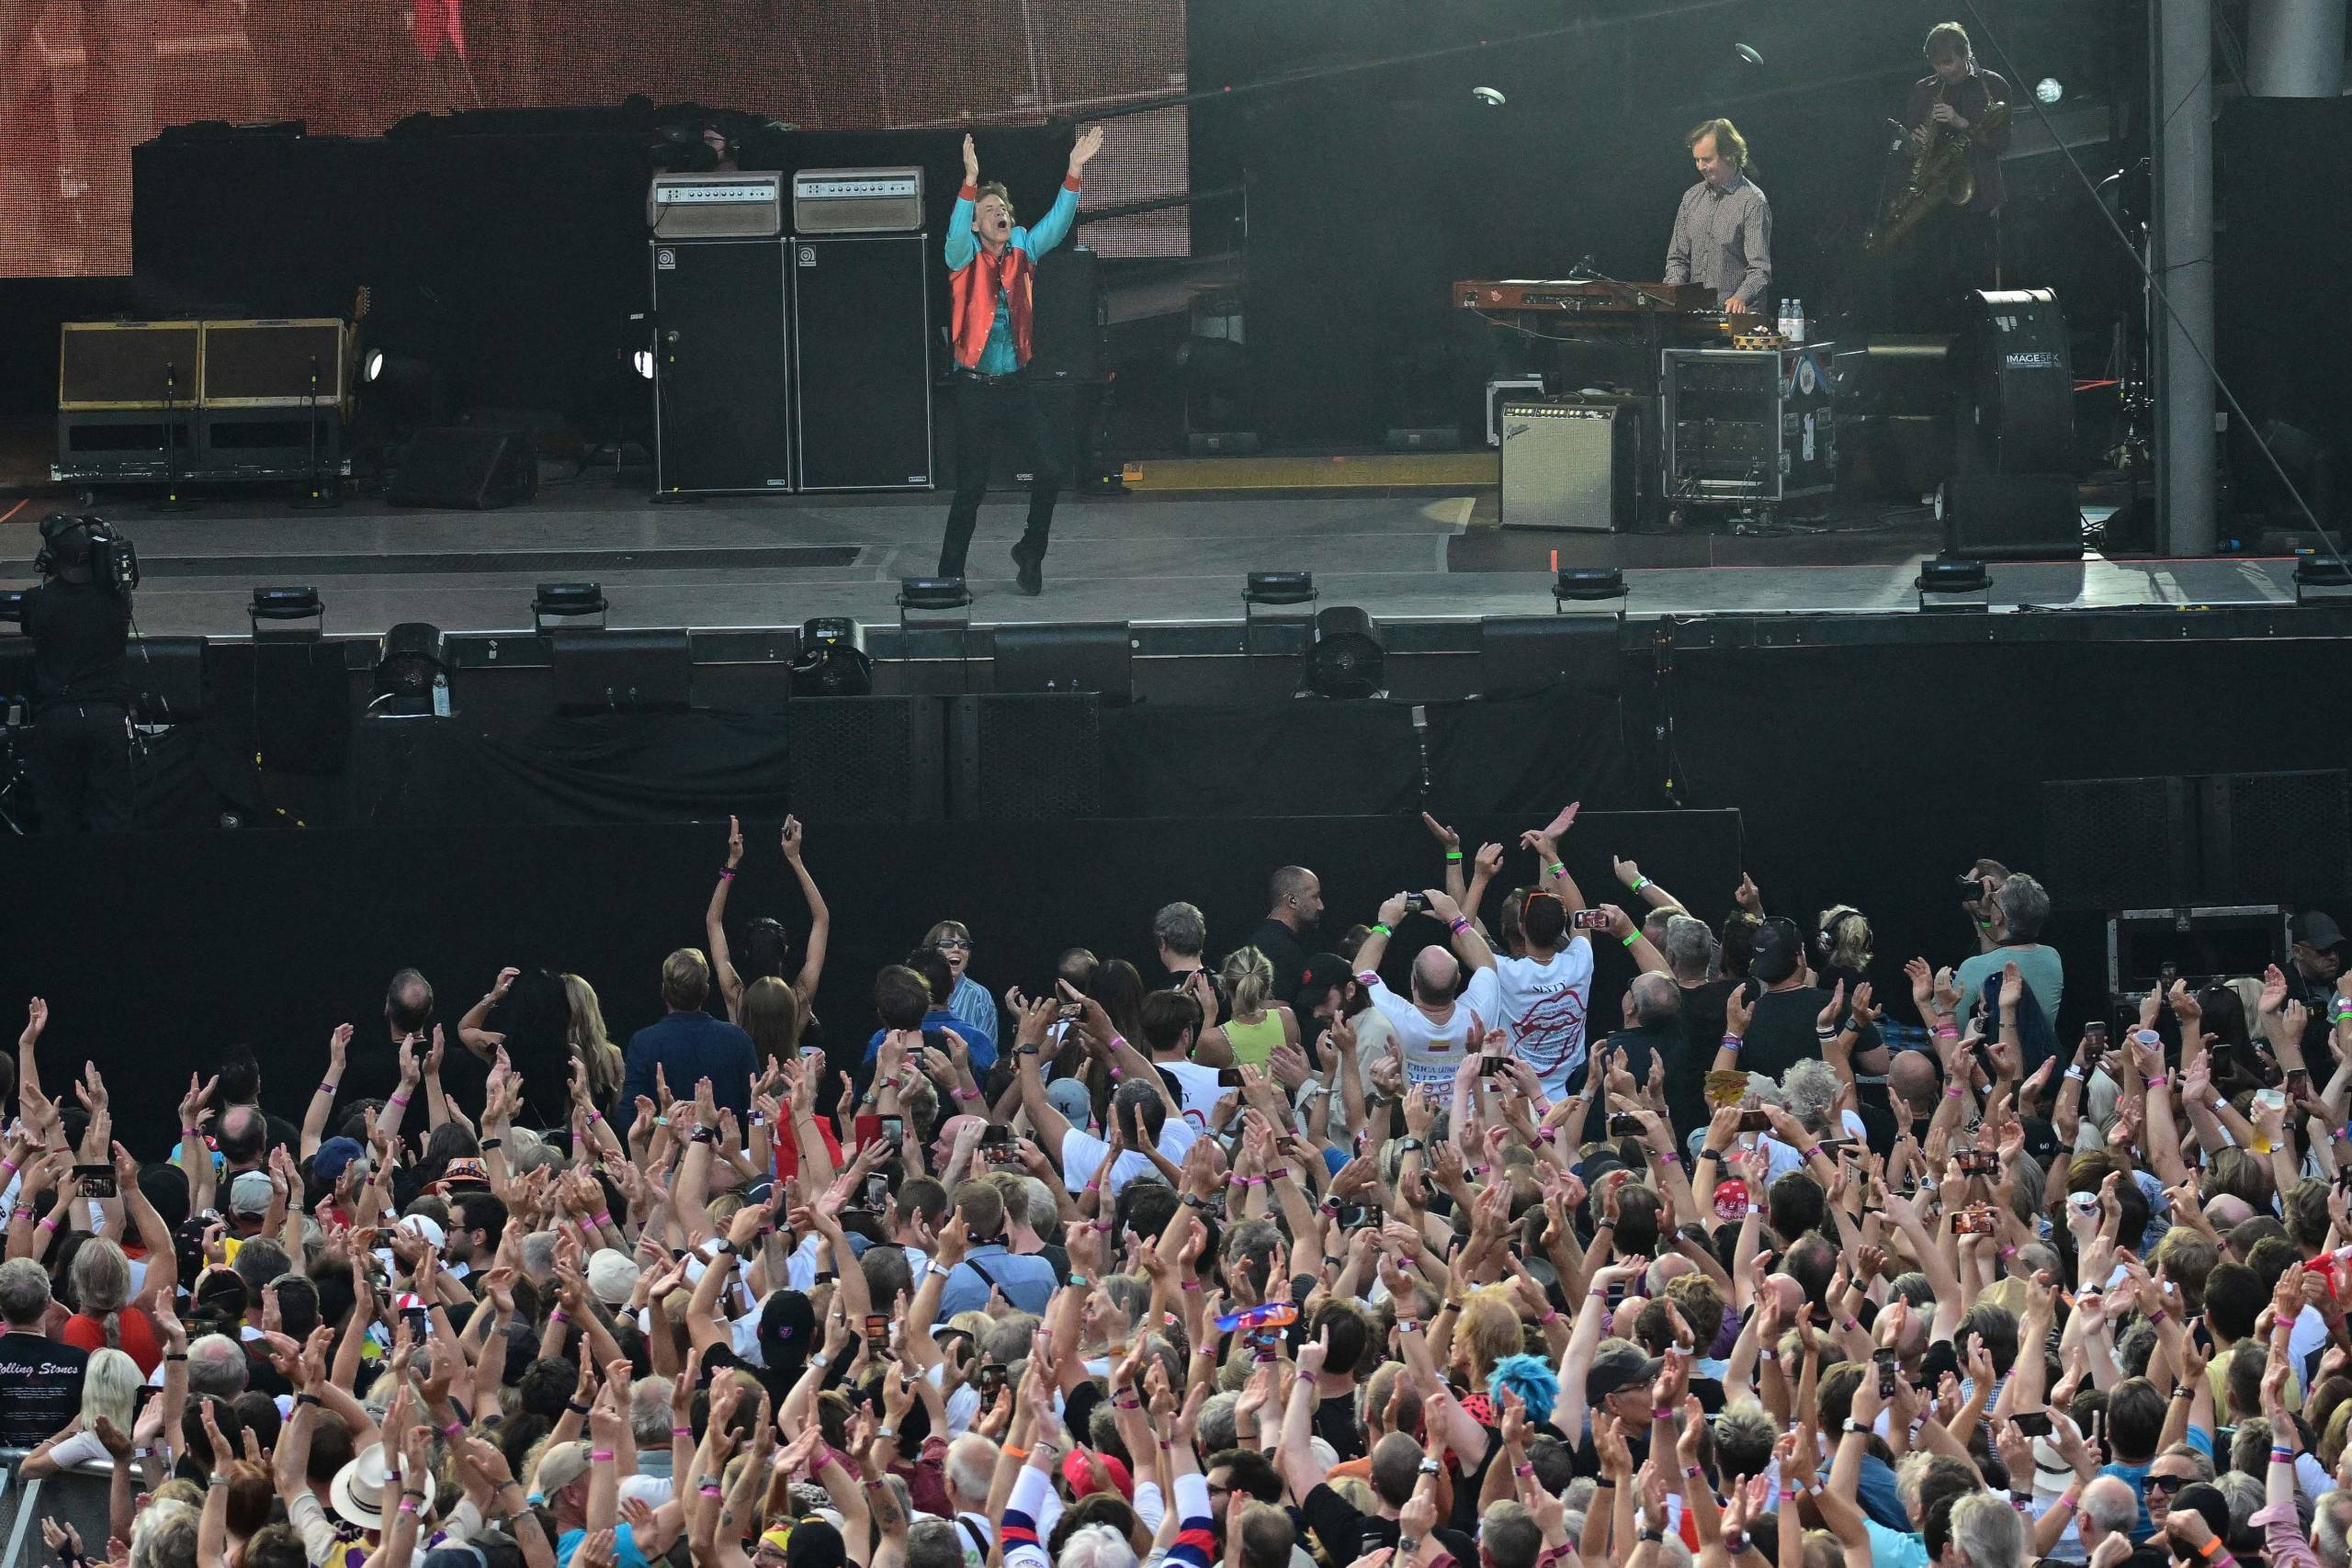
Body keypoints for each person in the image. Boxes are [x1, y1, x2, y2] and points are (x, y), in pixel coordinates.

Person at [939, 125, 1105, 595]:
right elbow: (955, 231)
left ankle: (1030, 551)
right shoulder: (962, 256)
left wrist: (1073, 171)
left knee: (1050, 470)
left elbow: (1057, 223)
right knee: (971, 488)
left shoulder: (1024, 249)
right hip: (974, 388)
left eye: (1002, 209)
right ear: (976, 224)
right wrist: (970, 182)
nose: (999, 213)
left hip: (1015, 386)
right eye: (988, 210)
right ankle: (949, 575)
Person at [18, 513, 133, 833]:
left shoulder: (36, 601)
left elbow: (30, 626)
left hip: (58, 716)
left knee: (58, 817)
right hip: (107, 717)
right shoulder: (117, 600)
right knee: (112, 816)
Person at [1893, 22, 2011, 330]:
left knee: (1976, 272)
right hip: (1935, 194)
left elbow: (2001, 143)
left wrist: (1960, 121)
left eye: (1948, 62)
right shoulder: (1924, 90)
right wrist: (1912, 144)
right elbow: (1908, 148)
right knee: (1933, 272)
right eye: (1936, 64)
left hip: (1978, 194)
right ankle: (1939, 332)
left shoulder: (1991, 85)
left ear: (1966, 54)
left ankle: (1979, 332)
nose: (1942, 70)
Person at [615, 948, 757, 1134]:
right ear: (706, 991)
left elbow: (630, 1119)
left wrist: (665, 1121)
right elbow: (756, 1111)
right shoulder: (738, 1039)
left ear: (664, 991)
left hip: (666, 1150)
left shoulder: (644, 1043)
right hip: (729, 1150)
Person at [1663, 118, 1770, 315]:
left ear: (1729, 154)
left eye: (1707, 159)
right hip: (1694, 316)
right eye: (1697, 160)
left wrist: (1740, 297)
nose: (1700, 166)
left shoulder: (1752, 201)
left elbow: (1760, 269)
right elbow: (1677, 259)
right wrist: (1673, 294)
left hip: (1738, 320)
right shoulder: (1691, 198)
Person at [1249, 866, 1325, 1010]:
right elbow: (1274, 1013)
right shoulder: (1281, 949)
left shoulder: (1261, 939)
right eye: (1314, 897)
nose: (1321, 906)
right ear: (1292, 900)